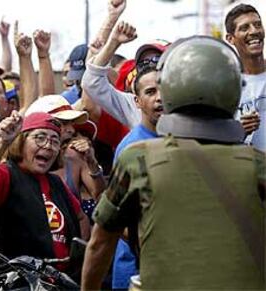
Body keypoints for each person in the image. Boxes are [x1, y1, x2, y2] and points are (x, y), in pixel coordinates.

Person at [82, 36, 265, 290]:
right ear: (235, 90)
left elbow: (101, 243)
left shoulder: (138, 159)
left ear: (169, 91)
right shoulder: (258, 166)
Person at [0, 111, 84, 274]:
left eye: (55, 141)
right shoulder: (7, 173)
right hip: (19, 281)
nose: (48, 145)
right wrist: (4, 141)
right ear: (21, 141)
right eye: (40, 137)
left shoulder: (56, 183)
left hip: (60, 281)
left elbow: (80, 217)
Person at [112, 62, 161, 289]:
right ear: (137, 101)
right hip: (134, 270)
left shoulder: (182, 140)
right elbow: (114, 220)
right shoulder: (130, 148)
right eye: (150, 92)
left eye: (163, 89)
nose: (159, 97)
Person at [225, 3, 265, 151]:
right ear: (230, 39)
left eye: (258, 25)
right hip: (246, 170)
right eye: (244, 28)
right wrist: (239, 131)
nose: (254, 31)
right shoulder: (224, 86)